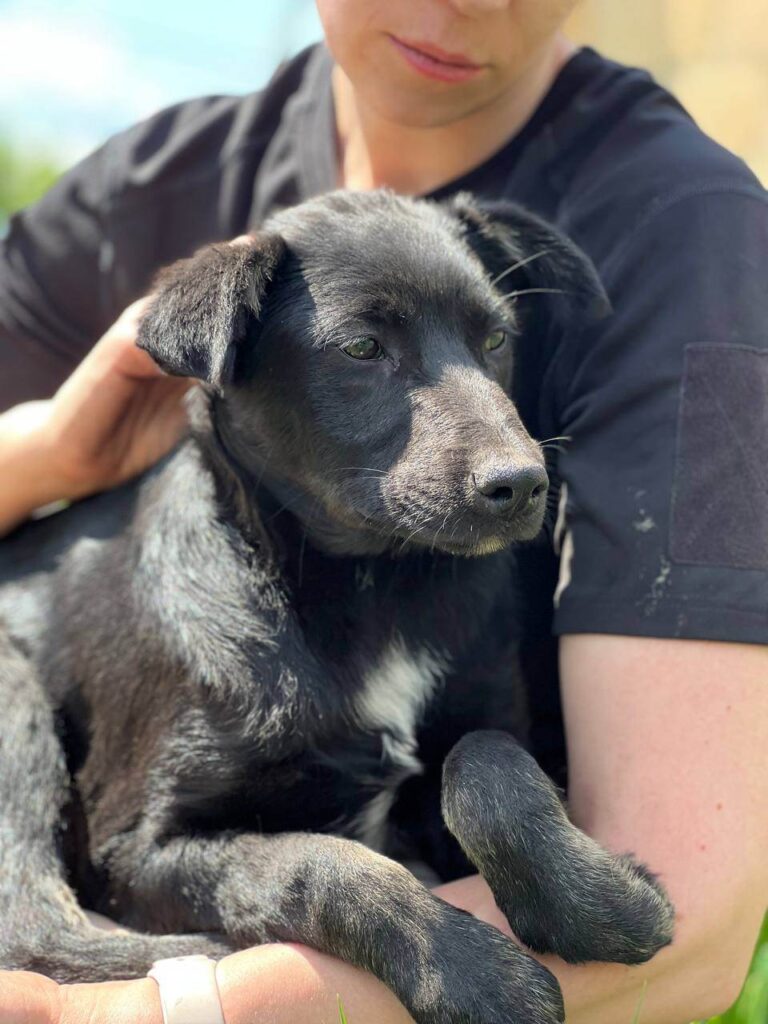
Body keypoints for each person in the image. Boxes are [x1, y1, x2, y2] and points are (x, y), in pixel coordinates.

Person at [1, 1, 766, 1022]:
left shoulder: (691, 239)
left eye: (490, 345)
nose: (464, 1)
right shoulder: (151, 186)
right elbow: (150, 842)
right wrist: (48, 449)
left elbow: (689, 934)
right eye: (366, 353)